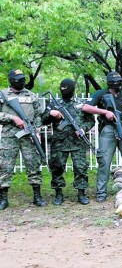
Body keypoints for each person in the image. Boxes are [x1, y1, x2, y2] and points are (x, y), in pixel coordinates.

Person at [82, 71, 122, 202]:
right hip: (107, 130)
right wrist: (105, 112)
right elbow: (85, 107)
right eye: (114, 83)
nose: (117, 85)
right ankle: (101, 192)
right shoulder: (101, 94)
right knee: (104, 162)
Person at [42, 78, 95, 205]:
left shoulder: (81, 104)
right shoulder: (54, 104)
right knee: (57, 168)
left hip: (78, 142)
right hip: (59, 143)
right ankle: (58, 193)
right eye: (62, 88)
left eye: (67, 88)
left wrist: (83, 128)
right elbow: (43, 120)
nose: (64, 91)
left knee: (80, 168)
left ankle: (81, 193)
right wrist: (50, 113)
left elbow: (91, 121)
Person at [0, 69, 45, 210]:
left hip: (28, 134)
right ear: (12, 80)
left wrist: (37, 132)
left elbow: (38, 115)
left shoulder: (31, 95)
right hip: (9, 135)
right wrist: (12, 118)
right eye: (18, 79)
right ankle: (3, 199)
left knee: (33, 165)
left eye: (23, 79)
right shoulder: (2, 94)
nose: (22, 82)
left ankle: (37, 196)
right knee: (5, 167)